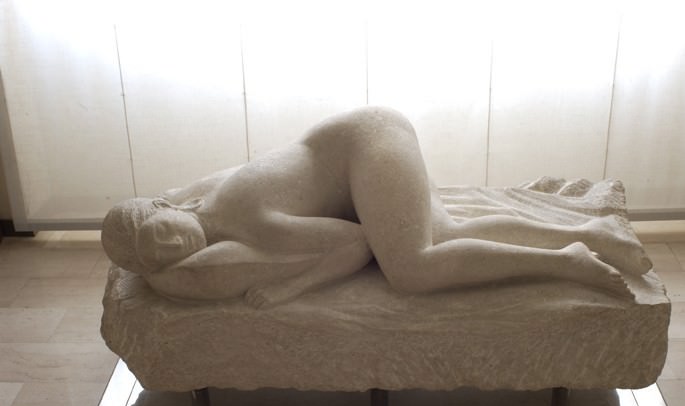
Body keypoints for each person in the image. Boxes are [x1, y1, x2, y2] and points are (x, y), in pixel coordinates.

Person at [102, 106, 650, 308]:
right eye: (160, 253)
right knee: (445, 234)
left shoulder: (248, 222)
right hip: (363, 142)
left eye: (161, 230)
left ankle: (567, 262)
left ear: (164, 208)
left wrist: (290, 288)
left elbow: (354, 243)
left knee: (411, 268)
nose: (172, 244)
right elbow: (164, 244)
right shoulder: (199, 196)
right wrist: (158, 268)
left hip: (369, 146)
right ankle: (595, 232)